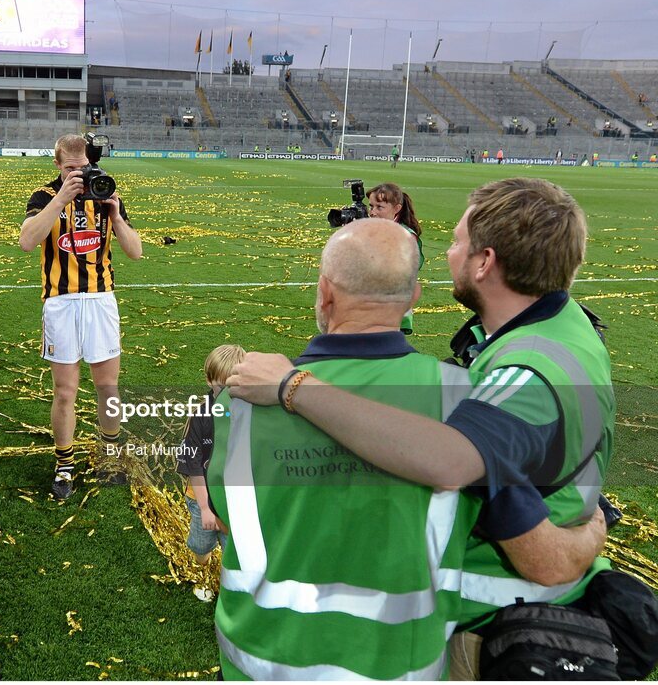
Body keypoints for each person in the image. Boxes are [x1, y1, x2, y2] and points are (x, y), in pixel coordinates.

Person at [226, 178, 614, 679]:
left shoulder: (526, 371)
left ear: (485, 262)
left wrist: (291, 386)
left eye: (456, 241)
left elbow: (452, 461)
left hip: (498, 624)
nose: (448, 252)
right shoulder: (560, 328)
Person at [20, 133, 142, 499]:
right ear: (57, 165)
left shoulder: (104, 191)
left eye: (84, 166)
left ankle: (109, 453)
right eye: (71, 168)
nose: (79, 174)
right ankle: (64, 463)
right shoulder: (44, 195)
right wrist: (61, 199)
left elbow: (135, 252)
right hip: (60, 302)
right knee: (65, 391)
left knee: (107, 387)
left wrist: (116, 216)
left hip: (101, 299)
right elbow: (27, 241)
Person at [176, 344, 244, 581]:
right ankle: (201, 569)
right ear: (208, 380)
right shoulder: (200, 417)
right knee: (201, 545)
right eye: (220, 387)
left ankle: (229, 581)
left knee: (232, 548)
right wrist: (205, 508)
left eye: (232, 387)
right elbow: (193, 465)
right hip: (201, 499)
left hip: (232, 500)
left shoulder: (248, 414)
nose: (226, 394)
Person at [366, 182, 423, 334]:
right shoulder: (373, 228)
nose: (373, 212)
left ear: (397, 209)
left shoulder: (405, 235)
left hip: (392, 304)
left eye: (380, 207)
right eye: (371, 206)